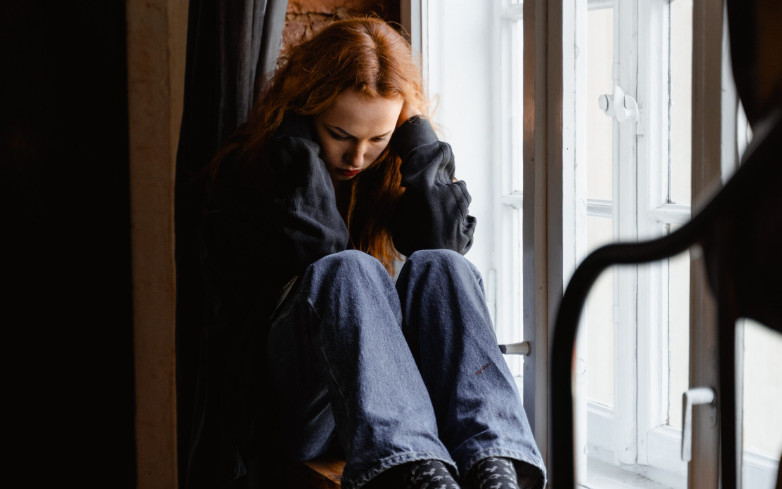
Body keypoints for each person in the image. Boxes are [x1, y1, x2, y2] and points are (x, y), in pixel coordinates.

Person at [200, 17, 546, 489]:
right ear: (305, 113)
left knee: (444, 265)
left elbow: (446, 242)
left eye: (378, 139)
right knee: (347, 269)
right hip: (296, 414)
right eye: (340, 134)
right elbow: (320, 253)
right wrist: (299, 151)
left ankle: (494, 465)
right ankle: (411, 476)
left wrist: (419, 140)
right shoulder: (252, 174)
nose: (358, 157)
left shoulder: (389, 172)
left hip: (391, 414)